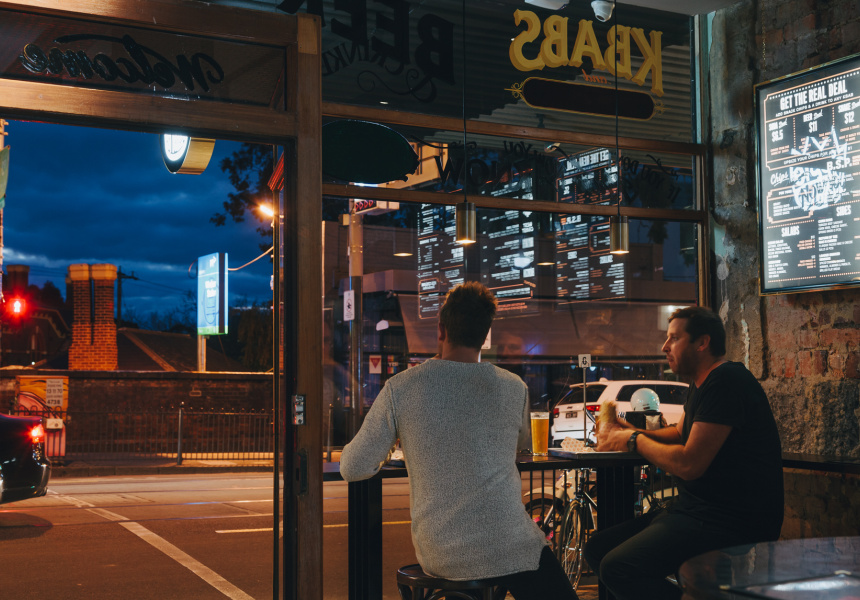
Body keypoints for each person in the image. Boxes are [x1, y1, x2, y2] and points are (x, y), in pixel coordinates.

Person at [340, 282, 578, 600]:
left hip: (442, 552)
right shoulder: (514, 387)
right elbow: (520, 443)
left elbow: (353, 466)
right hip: (511, 543)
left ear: (441, 330)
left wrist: (396, 446)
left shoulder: (402, 387)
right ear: (485, 334)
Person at [584, 306, 784, 600]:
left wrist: (633, 440)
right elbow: (679, 433)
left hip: (729, 519)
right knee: (598, 549)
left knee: (618, 567)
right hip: (694, 510)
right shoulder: (701, 384)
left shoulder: (726, 381)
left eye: (674, 338)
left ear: (702, 342)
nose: (664, 346)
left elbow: (690, 464)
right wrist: (625, 431)